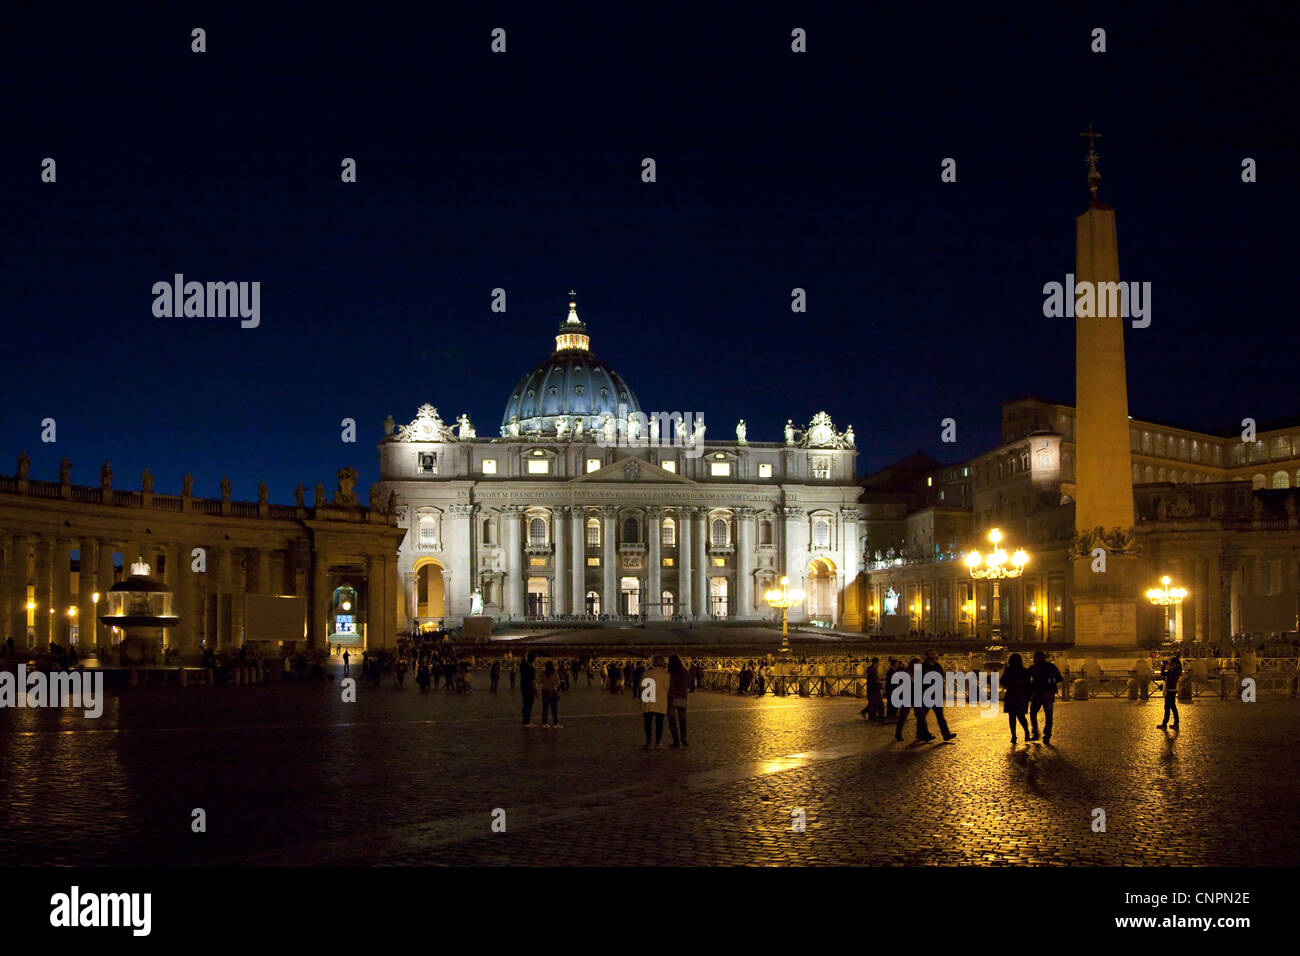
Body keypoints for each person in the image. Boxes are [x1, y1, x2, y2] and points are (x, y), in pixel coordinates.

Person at [915, 649, 957, 742]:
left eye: (934, 653)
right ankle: (919, 733)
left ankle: (946, 734)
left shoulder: (938, 665)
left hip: (936, 694)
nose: (933, 655)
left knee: (940, 716)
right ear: (927, 655)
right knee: (922, 716)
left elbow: (941, 678)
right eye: (931, 654)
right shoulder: (923, 666)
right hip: (926, 694)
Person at [1027, 650, 1062, 743]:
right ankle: (1047, 734)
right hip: (1047, 692)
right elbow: (1059, 678)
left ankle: (1036, 732)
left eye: (1035, 658)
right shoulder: (1050, 667)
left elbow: (1026, 676)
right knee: (1048, 714)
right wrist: (1052, 684)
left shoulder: (1034, 668)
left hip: (1039, 692)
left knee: (1034, 712)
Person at [1001, 653, 1032, 744]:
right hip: (1021, 696)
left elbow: (1003, 681)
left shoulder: (1008, 670)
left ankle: (1014, 735)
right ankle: (1026, 731)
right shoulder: (1024, 671)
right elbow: (1028, 684)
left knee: (1012, 717)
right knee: (1021, 716)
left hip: (1011, 695)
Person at [641, 656, 670, 749]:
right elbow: (667, 688)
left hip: (648, 700)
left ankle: (648, 742)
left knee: (648, 723)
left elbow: (641, 686)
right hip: (660, 701)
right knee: (659, 723)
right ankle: (658, 742)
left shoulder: (646, 673)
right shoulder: (666, 675)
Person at [894, 657, 921, 742]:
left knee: (920, 716)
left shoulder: (917, 673)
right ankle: (898, 734)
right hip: (907, 697)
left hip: (915, 697)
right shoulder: (906, 672)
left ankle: (920, 734)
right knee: (903, 716)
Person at [666, 654, 690, 748]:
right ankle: (684, 737)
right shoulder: (685, 672)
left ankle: (676, 740)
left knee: (672, 720)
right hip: (682, 697)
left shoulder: (671, 673)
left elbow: (670, 686)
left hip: (672, 697)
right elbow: (688, 682)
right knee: (682, 719)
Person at [1158, 652, 1182, 731]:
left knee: (1171, 707)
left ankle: (1172, 723)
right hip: (1168, 690)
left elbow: (1170, 678)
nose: (1170, 665)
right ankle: (1167, 723)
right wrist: (1163, 667)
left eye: (1172, 664)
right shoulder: (1171, 671)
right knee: (1168, 707)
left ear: (1175, 664)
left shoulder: (1175, 672)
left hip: (1172, 690)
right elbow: (1163, 674)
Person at [540, 661, 561, 727]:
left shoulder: (543, 673)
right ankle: (555, 723)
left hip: (545, 691)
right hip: (552, 691)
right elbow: (558, 683)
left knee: (545, 708)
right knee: (554, 709)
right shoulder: (555, 673)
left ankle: (544, 723)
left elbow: (539, 681)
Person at [520, 651, 538, 728]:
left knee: (525, 704)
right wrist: (536, 691)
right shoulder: (531, 669)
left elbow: (523, 660)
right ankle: (527, 722)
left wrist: (525, 654)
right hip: (529, 688)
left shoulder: (524, 666)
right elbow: (533, 681)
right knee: (529, 705)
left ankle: (525, 720)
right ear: (534, 660)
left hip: (523, 686)